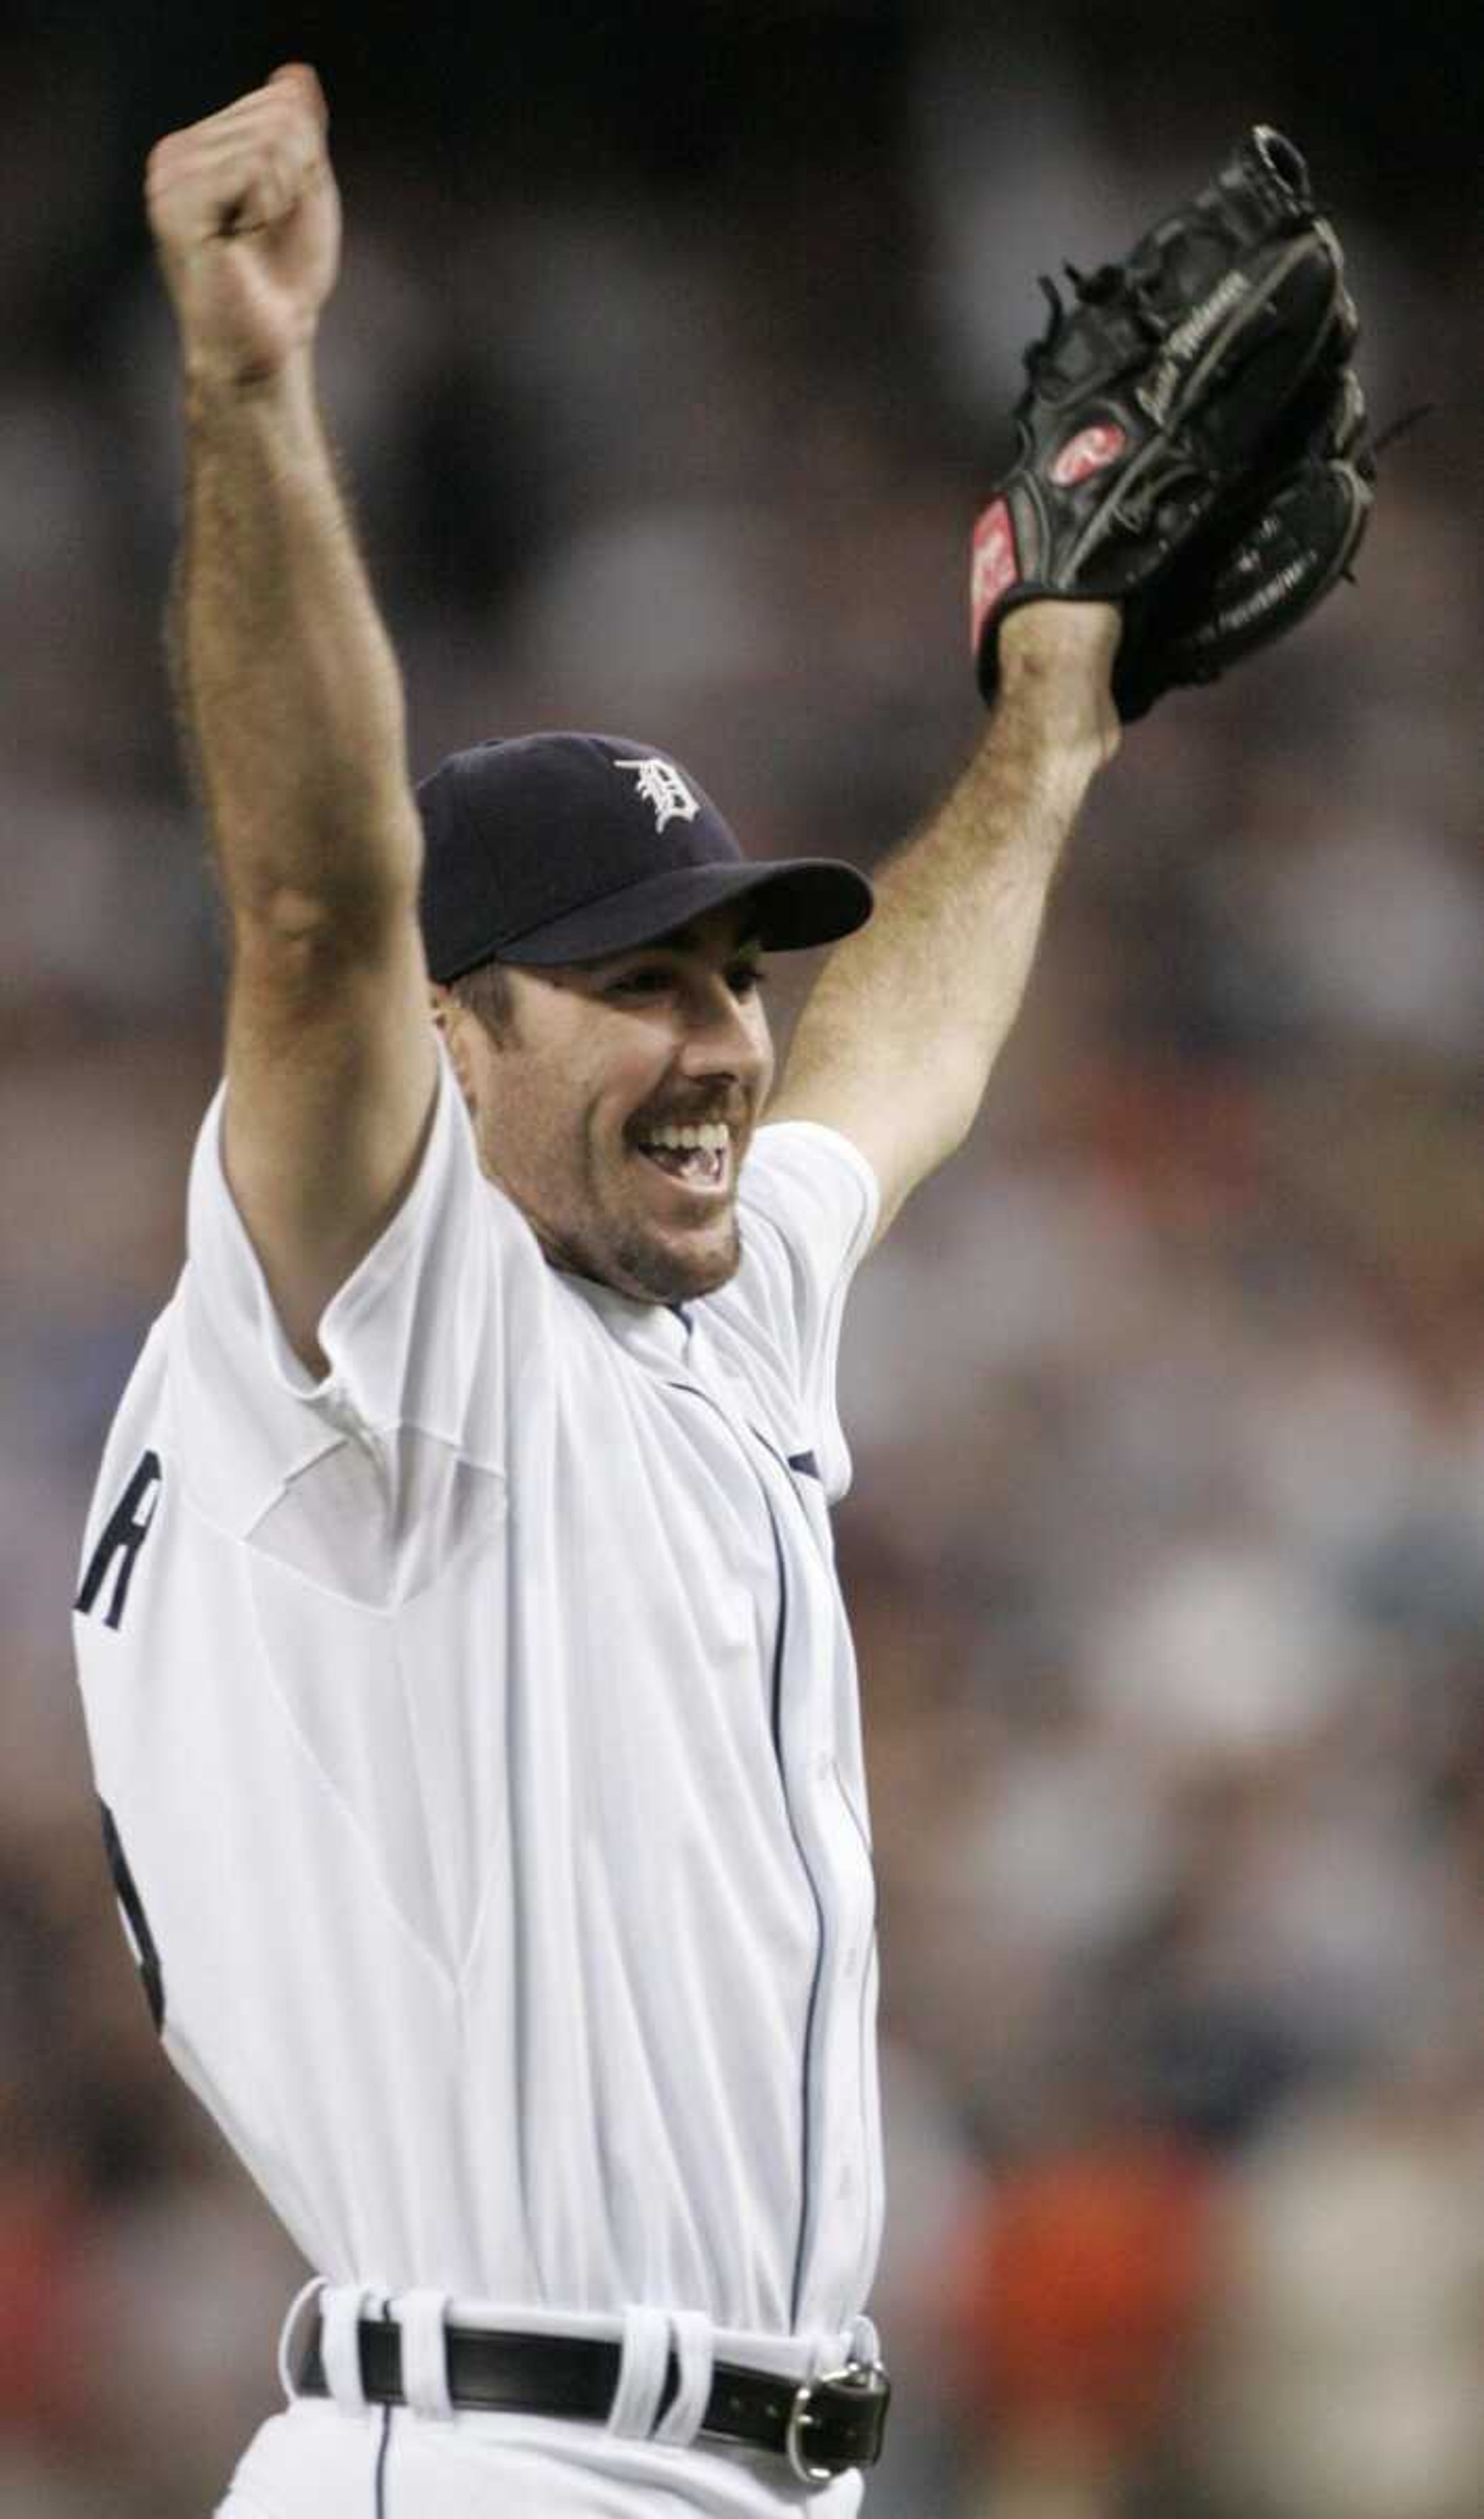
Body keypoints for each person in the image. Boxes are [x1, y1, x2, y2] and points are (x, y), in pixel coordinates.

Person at [72, 61, 1120, 2519]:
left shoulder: (700, 1321)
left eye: (736, 976)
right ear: (454, 1035)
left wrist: (1055, 725)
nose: (725, 1042)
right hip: (483, 2446)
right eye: (641, 980)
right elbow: (323, 903)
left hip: (721, 2463)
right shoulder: (376, 1327)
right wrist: (248, 395)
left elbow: (902, 1058)